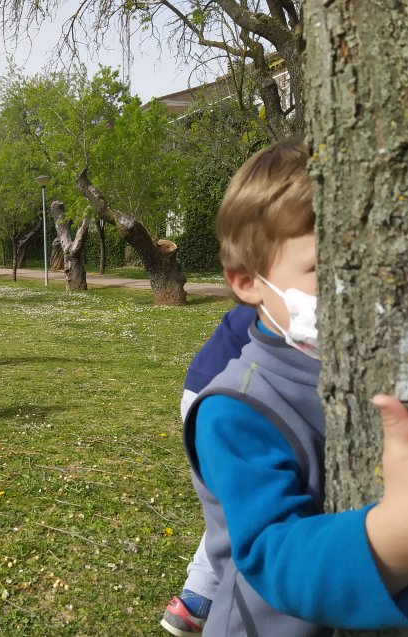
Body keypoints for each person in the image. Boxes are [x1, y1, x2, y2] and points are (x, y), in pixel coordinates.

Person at [181, 134, 408, 634]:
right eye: (324, 270)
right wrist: (396, 532)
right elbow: (271, 554)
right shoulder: (235, 408)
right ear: (246, 281)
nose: (356, 290)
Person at [160, 304, 256, 636]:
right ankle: (202, 597)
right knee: (242, 502)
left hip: (204, 390)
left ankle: (196, 598)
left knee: (231, 501)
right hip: (227, 397)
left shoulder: (277, 278)